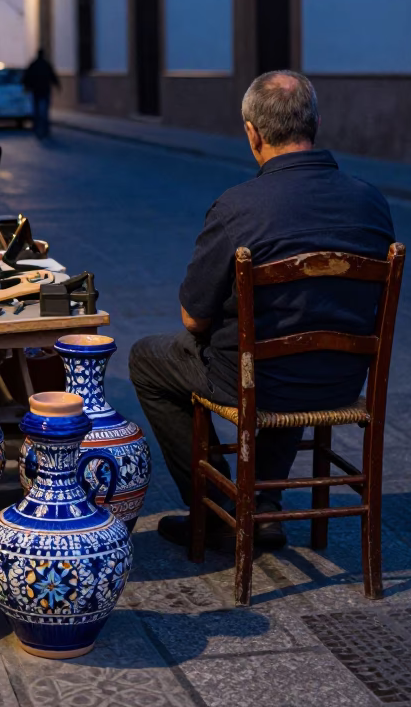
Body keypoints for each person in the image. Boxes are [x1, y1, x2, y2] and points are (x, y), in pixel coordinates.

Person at [129, 71, 395, 550]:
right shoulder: (370, 201)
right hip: (343, 380)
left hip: (258, 383)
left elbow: (193, 318)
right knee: (288, 346)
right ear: (315, 122)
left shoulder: (238, 207)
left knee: (149, 358)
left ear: (252, 133)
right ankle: (265, 509)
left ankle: (216, 508)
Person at [23, 48, 60, 140]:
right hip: (45, 90)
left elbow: (27, 76)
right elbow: (53, 75)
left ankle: (37, 127)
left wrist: (26, 87)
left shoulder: (33, 64)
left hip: (36, 91)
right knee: (44, 111)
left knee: (36, 110)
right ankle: (45, 129)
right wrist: (57, 85)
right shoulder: (46, 64)